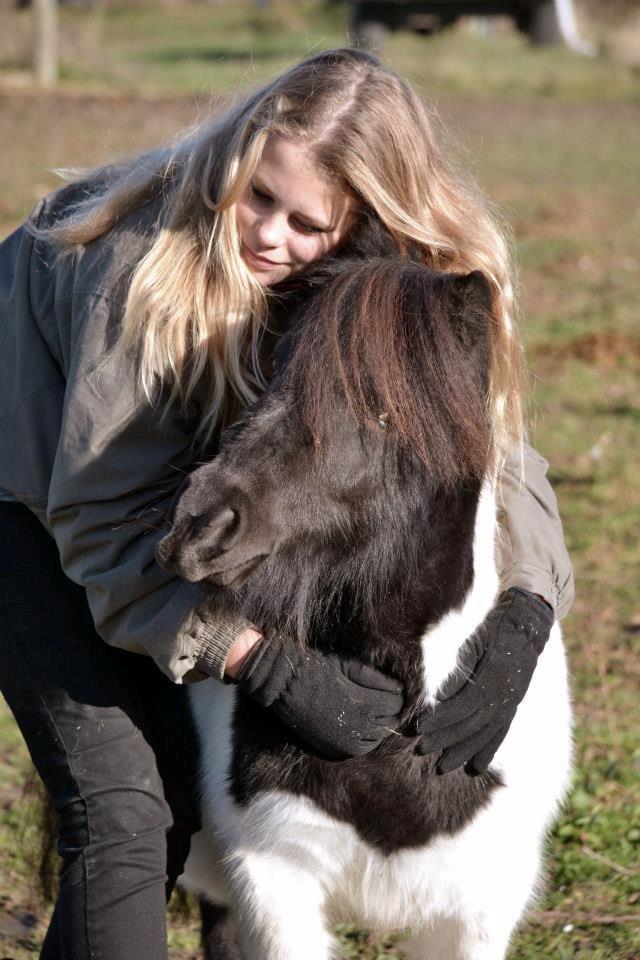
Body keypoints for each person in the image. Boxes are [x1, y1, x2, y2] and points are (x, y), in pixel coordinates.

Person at [0, 48, 573, 959]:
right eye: (258, 195)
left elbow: (492, 448)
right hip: (31, 493)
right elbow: (101, 519)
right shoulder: (140, 269)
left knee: (198, 799)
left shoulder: (418, 271)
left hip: (193, 486)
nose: (267, 235)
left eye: (309, 224)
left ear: (367, 225)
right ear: (239, 157)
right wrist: (256, 658)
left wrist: (528, 609)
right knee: (127, 807)